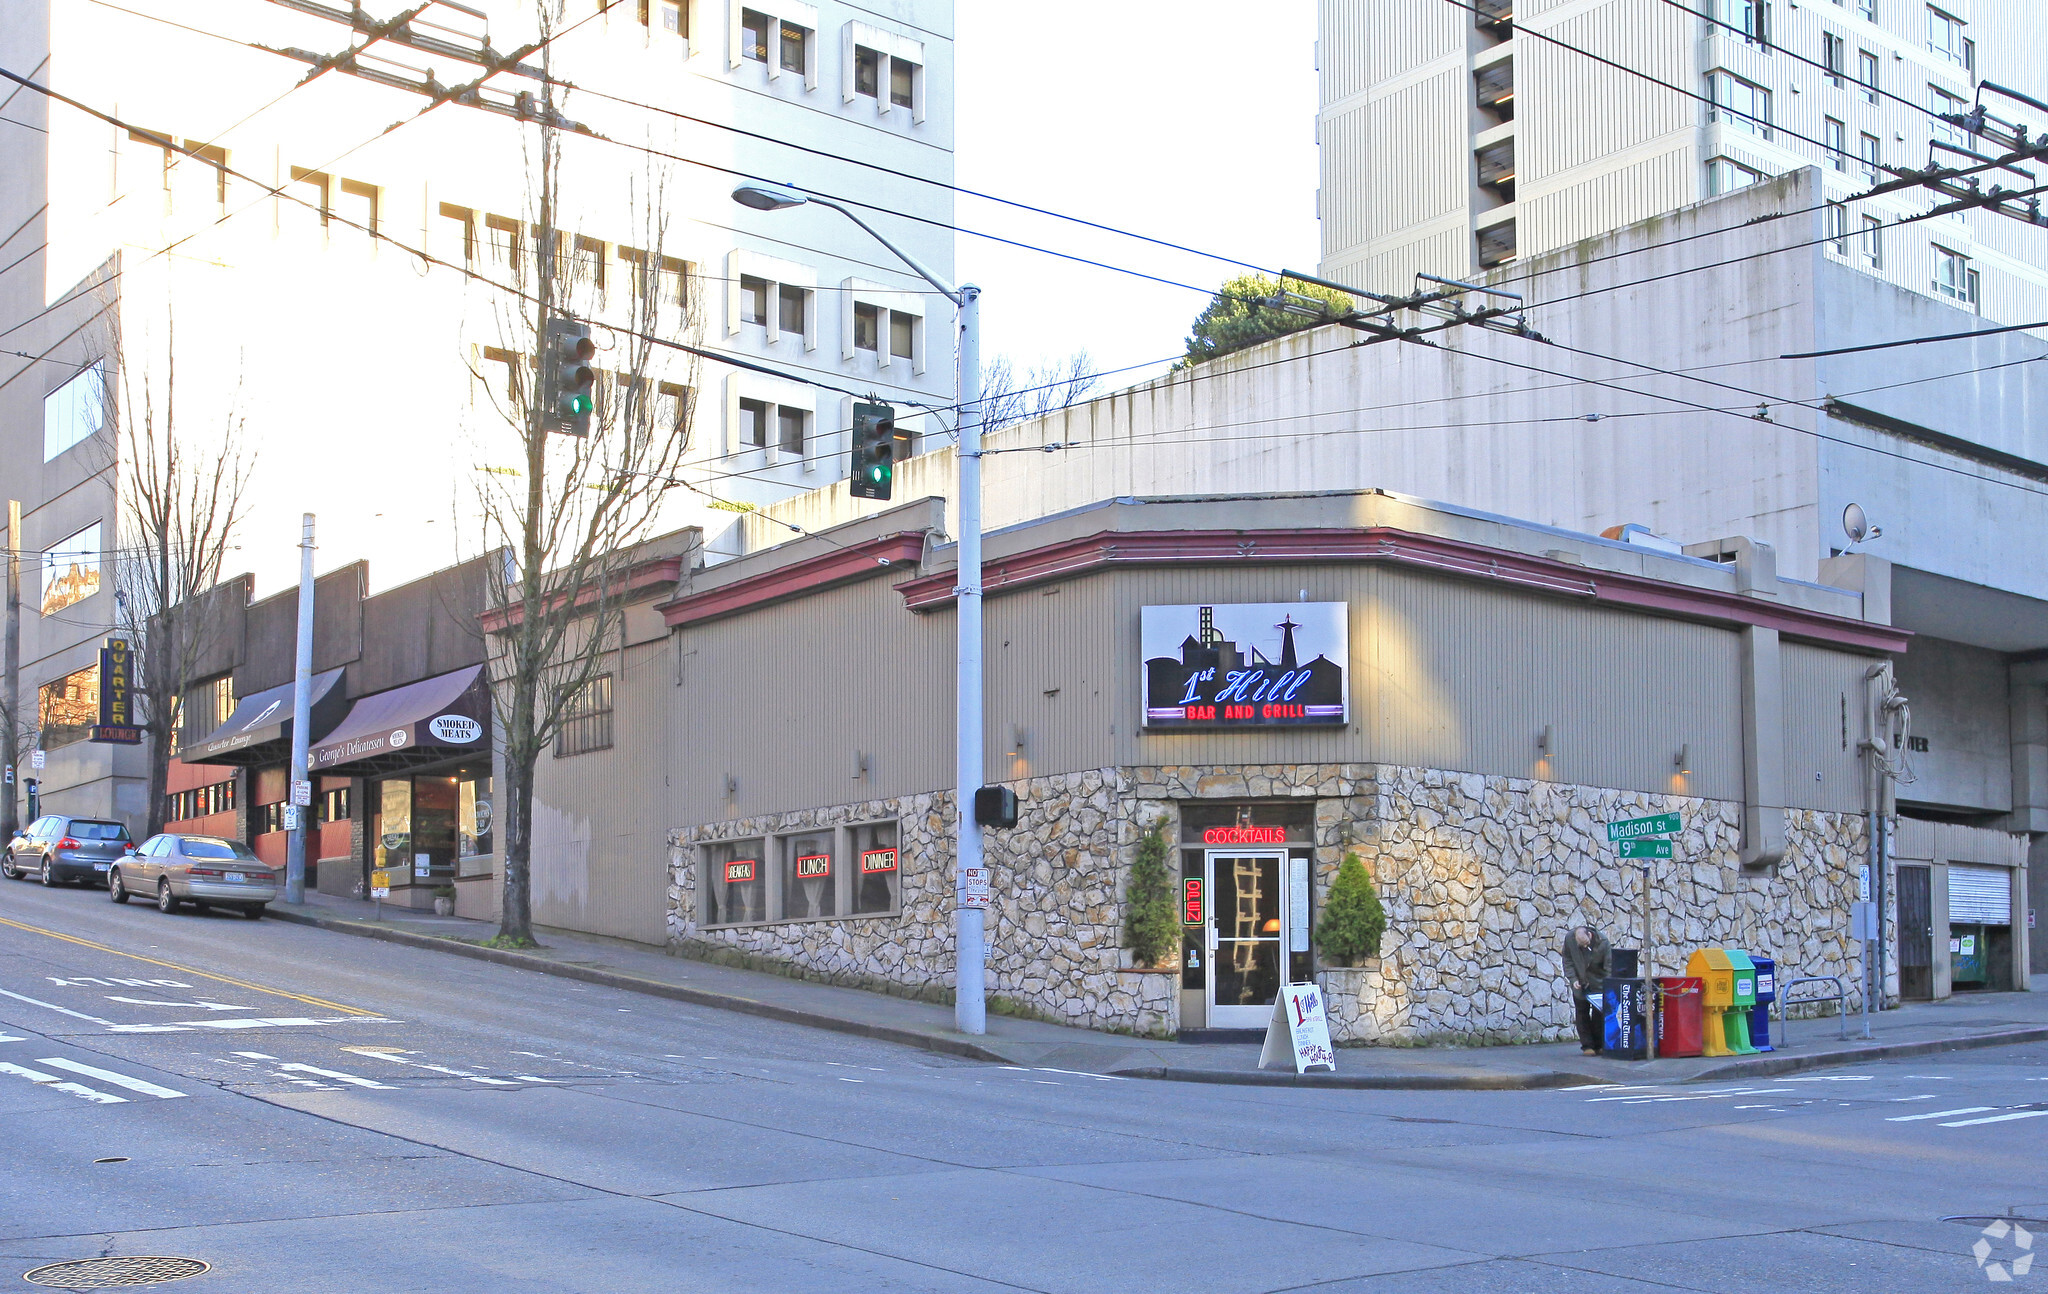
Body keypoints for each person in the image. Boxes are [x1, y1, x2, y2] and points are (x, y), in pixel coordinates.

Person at [1563, 925, 1612, 1055]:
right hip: (1580, 982)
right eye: (1581, 945)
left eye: (1586, 944)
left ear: (1589, 935)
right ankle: (1587, 1046)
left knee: (1599, 1014)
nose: (1584, 947)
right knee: (1581, 1013)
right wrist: (1573, 979)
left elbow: (1609, 967)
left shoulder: (1603, 942)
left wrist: (1607, 984)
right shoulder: (1569, 939)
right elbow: (1567, 960)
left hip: (1598, 983)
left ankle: (1599, 1044)